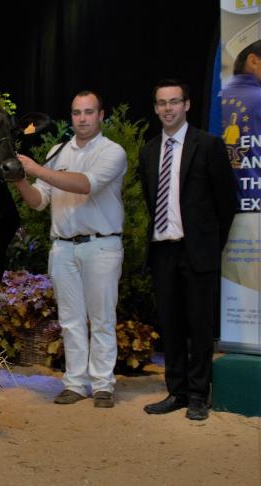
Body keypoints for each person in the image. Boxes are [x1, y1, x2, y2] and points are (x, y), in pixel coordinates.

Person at [14, 91, 127, 408]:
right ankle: (76, 383)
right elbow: (39, 201)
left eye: (89, 112)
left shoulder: (112, 152)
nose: (82, 118)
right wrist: (20, 179)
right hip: (63, 247)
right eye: (77, 112)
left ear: (101, 115)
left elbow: (86, 184)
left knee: (102, 318)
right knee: (70, 320)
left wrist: (36, 170)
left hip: (101, 244)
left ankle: (103, 385)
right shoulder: (57, 151)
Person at [140, 80, 238, 421]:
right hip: (163, 251)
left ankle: (198, 395)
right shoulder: (149, 150)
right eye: (161, 103)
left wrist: (211, 244)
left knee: (199, 325)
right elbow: (152, 201)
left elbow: (227, 202)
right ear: (155, 108)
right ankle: (176, 391)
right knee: (171, 326)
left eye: (174, 102)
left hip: (198, 251)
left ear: (187, 105)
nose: (168, 108)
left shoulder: (208, 145)